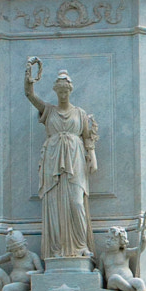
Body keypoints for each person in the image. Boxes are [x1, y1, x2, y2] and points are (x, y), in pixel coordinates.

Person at [23, 59, 98, 260]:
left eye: (66, 91)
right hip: (53, 157)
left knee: (76, 203)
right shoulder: (49, 111)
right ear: (56, 91)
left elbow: (87, 137)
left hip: (75, 158)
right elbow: (30, 95)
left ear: (70, 91)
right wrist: (29, 78)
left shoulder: (80, 113)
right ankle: (56, 249)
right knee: (55, 205)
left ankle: (81, 245)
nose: (63, 94)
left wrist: (92, 156)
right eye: (60, 91)